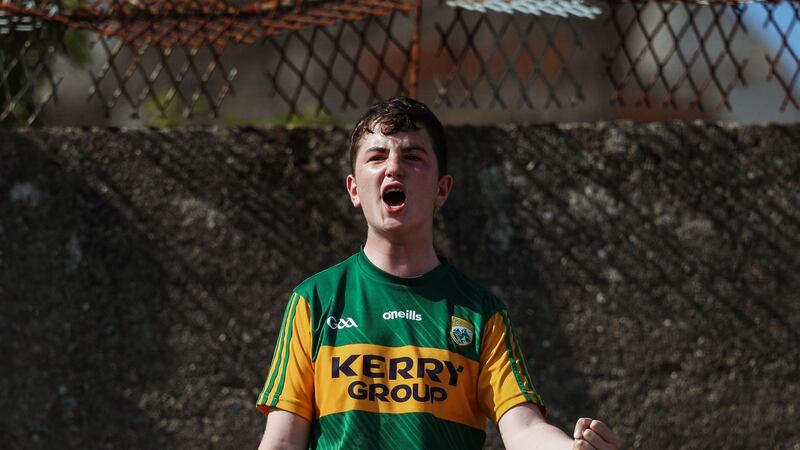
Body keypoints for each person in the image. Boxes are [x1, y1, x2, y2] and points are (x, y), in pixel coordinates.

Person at [256, 96, 621, 450]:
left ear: (442, 190)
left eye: (412, 157)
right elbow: (284, 439)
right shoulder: (315, 300)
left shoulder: (480, 312)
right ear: (354, 188)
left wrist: (573, 449)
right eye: (377, 156)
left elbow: (523, 428)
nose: (393, 167)